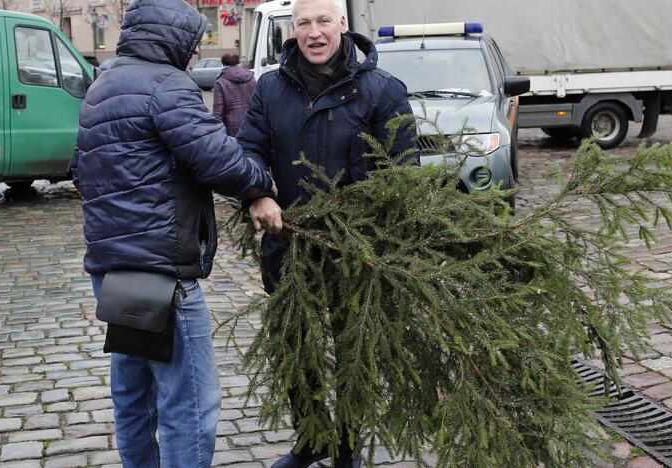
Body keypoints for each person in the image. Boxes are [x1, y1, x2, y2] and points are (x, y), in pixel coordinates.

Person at [71, 0, 276, 466]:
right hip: (162, 272)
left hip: (112, 269)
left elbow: (80, 172)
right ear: (176, 39)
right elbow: (217, 158)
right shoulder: (167, 85)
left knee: (133, 394)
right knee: (189, 400)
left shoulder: (102, 85)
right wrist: (261, 183)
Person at [237, 0, 417, 466]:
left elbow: (404, 173)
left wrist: (372, 228)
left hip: (355, 251)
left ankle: (348, 447)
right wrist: (257, 193)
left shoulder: (381, 91)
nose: (314, 33)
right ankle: (311, 438)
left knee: (354, 350)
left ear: (343, 25)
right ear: (291, 30)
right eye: (303, 24)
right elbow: (249, 149)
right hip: (288, 246)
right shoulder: (270, 89)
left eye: (323, 22)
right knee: (297, 347)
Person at [212, 53, 256, 137]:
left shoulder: (220, 82)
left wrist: (217, 133)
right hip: (251, 125)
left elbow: (218, 111)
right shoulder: (251, 78)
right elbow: (258, 103)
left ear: (223, 63)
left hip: (231, 130)